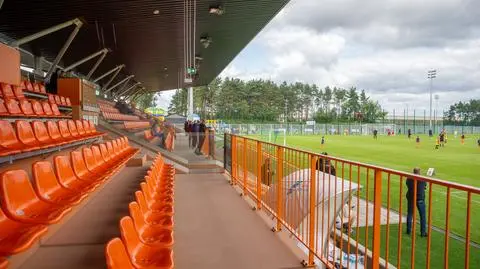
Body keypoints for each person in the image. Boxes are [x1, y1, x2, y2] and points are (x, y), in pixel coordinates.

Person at [406, 168, 427, 237]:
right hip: (420, 198)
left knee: (410, 214)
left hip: (411, 198)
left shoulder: (409, 178)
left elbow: (407, 184)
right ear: (419, 172)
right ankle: (423, 232)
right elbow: (424, 187)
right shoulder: (422, 179)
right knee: (422, 216)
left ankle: (408, 230)